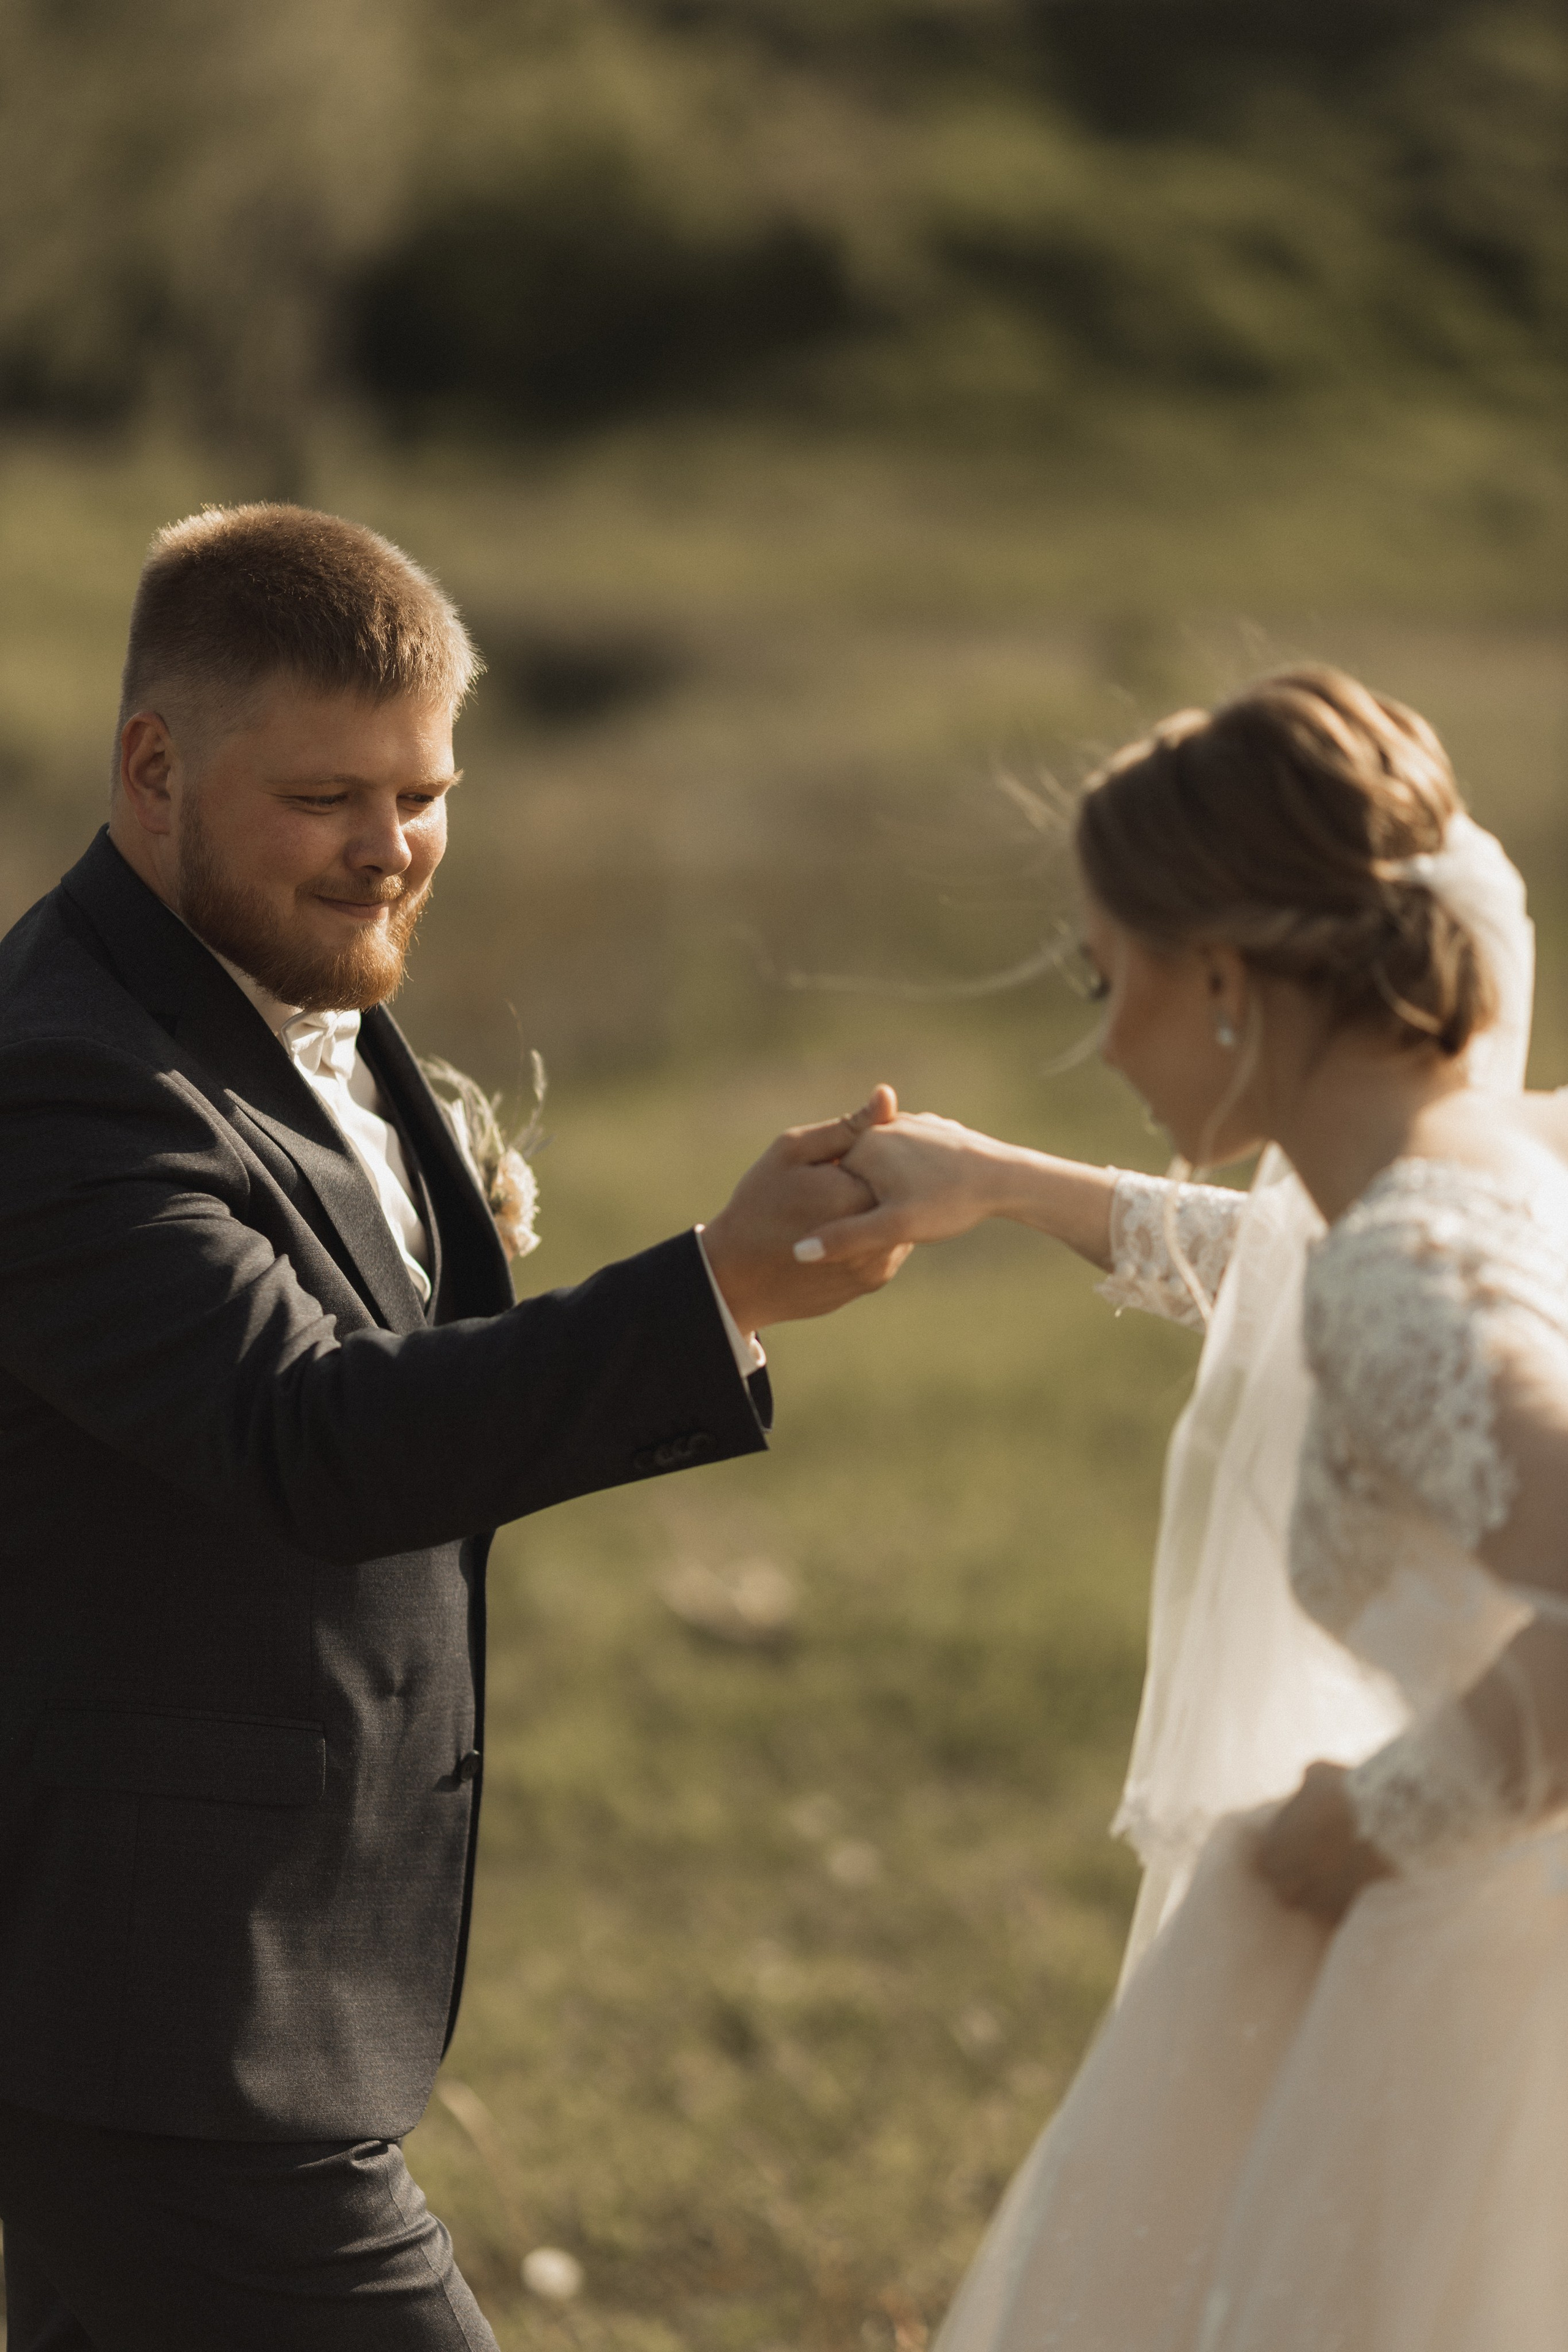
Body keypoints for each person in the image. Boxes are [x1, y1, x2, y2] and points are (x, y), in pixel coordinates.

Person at [0, 502, 906, 2351]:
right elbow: (308, 1438)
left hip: (257, 1989)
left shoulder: (288, 1003)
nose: (393, 852)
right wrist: (712, 1292)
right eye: (332, 798)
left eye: (427, 797)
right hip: (161, 2019)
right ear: (151, 767)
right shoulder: (60, 1077)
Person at [799, 668, 1568, 2347]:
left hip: (1503, 1997)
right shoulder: (1486, 1173)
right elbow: (1305, 1281)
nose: (1098, 1031)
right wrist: (1002, 1185)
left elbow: (1381, 1317)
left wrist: (1379, 1818)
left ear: (1219, 977)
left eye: (1105, 974)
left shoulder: (1401, 1272)